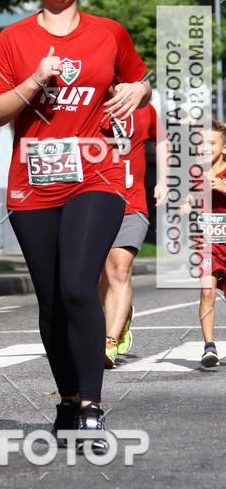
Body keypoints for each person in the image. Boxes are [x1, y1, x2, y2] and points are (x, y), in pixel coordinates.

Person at [0, 0, 150, 451]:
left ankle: (93, 405)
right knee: (52, 302)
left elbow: (139, 80)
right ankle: (69, 397)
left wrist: (139, 89)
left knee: (78, 284)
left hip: (95, 176)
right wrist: (33, 82)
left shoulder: (109, 33)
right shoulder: (13, 39)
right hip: (32, 185)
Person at [100, 103, 168, 368]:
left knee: (118, 269)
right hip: (93, 203)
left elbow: (161, 139)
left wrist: (163, 180)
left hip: (132, 203)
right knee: (96, 278)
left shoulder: (143, 107)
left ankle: (109, 342)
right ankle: (122, 315)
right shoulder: (88, 99)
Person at [197, 121, 226, 367]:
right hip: (207, 243)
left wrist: (222, 187)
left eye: (211, 143)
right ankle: (209, 347)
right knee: (207, 292)